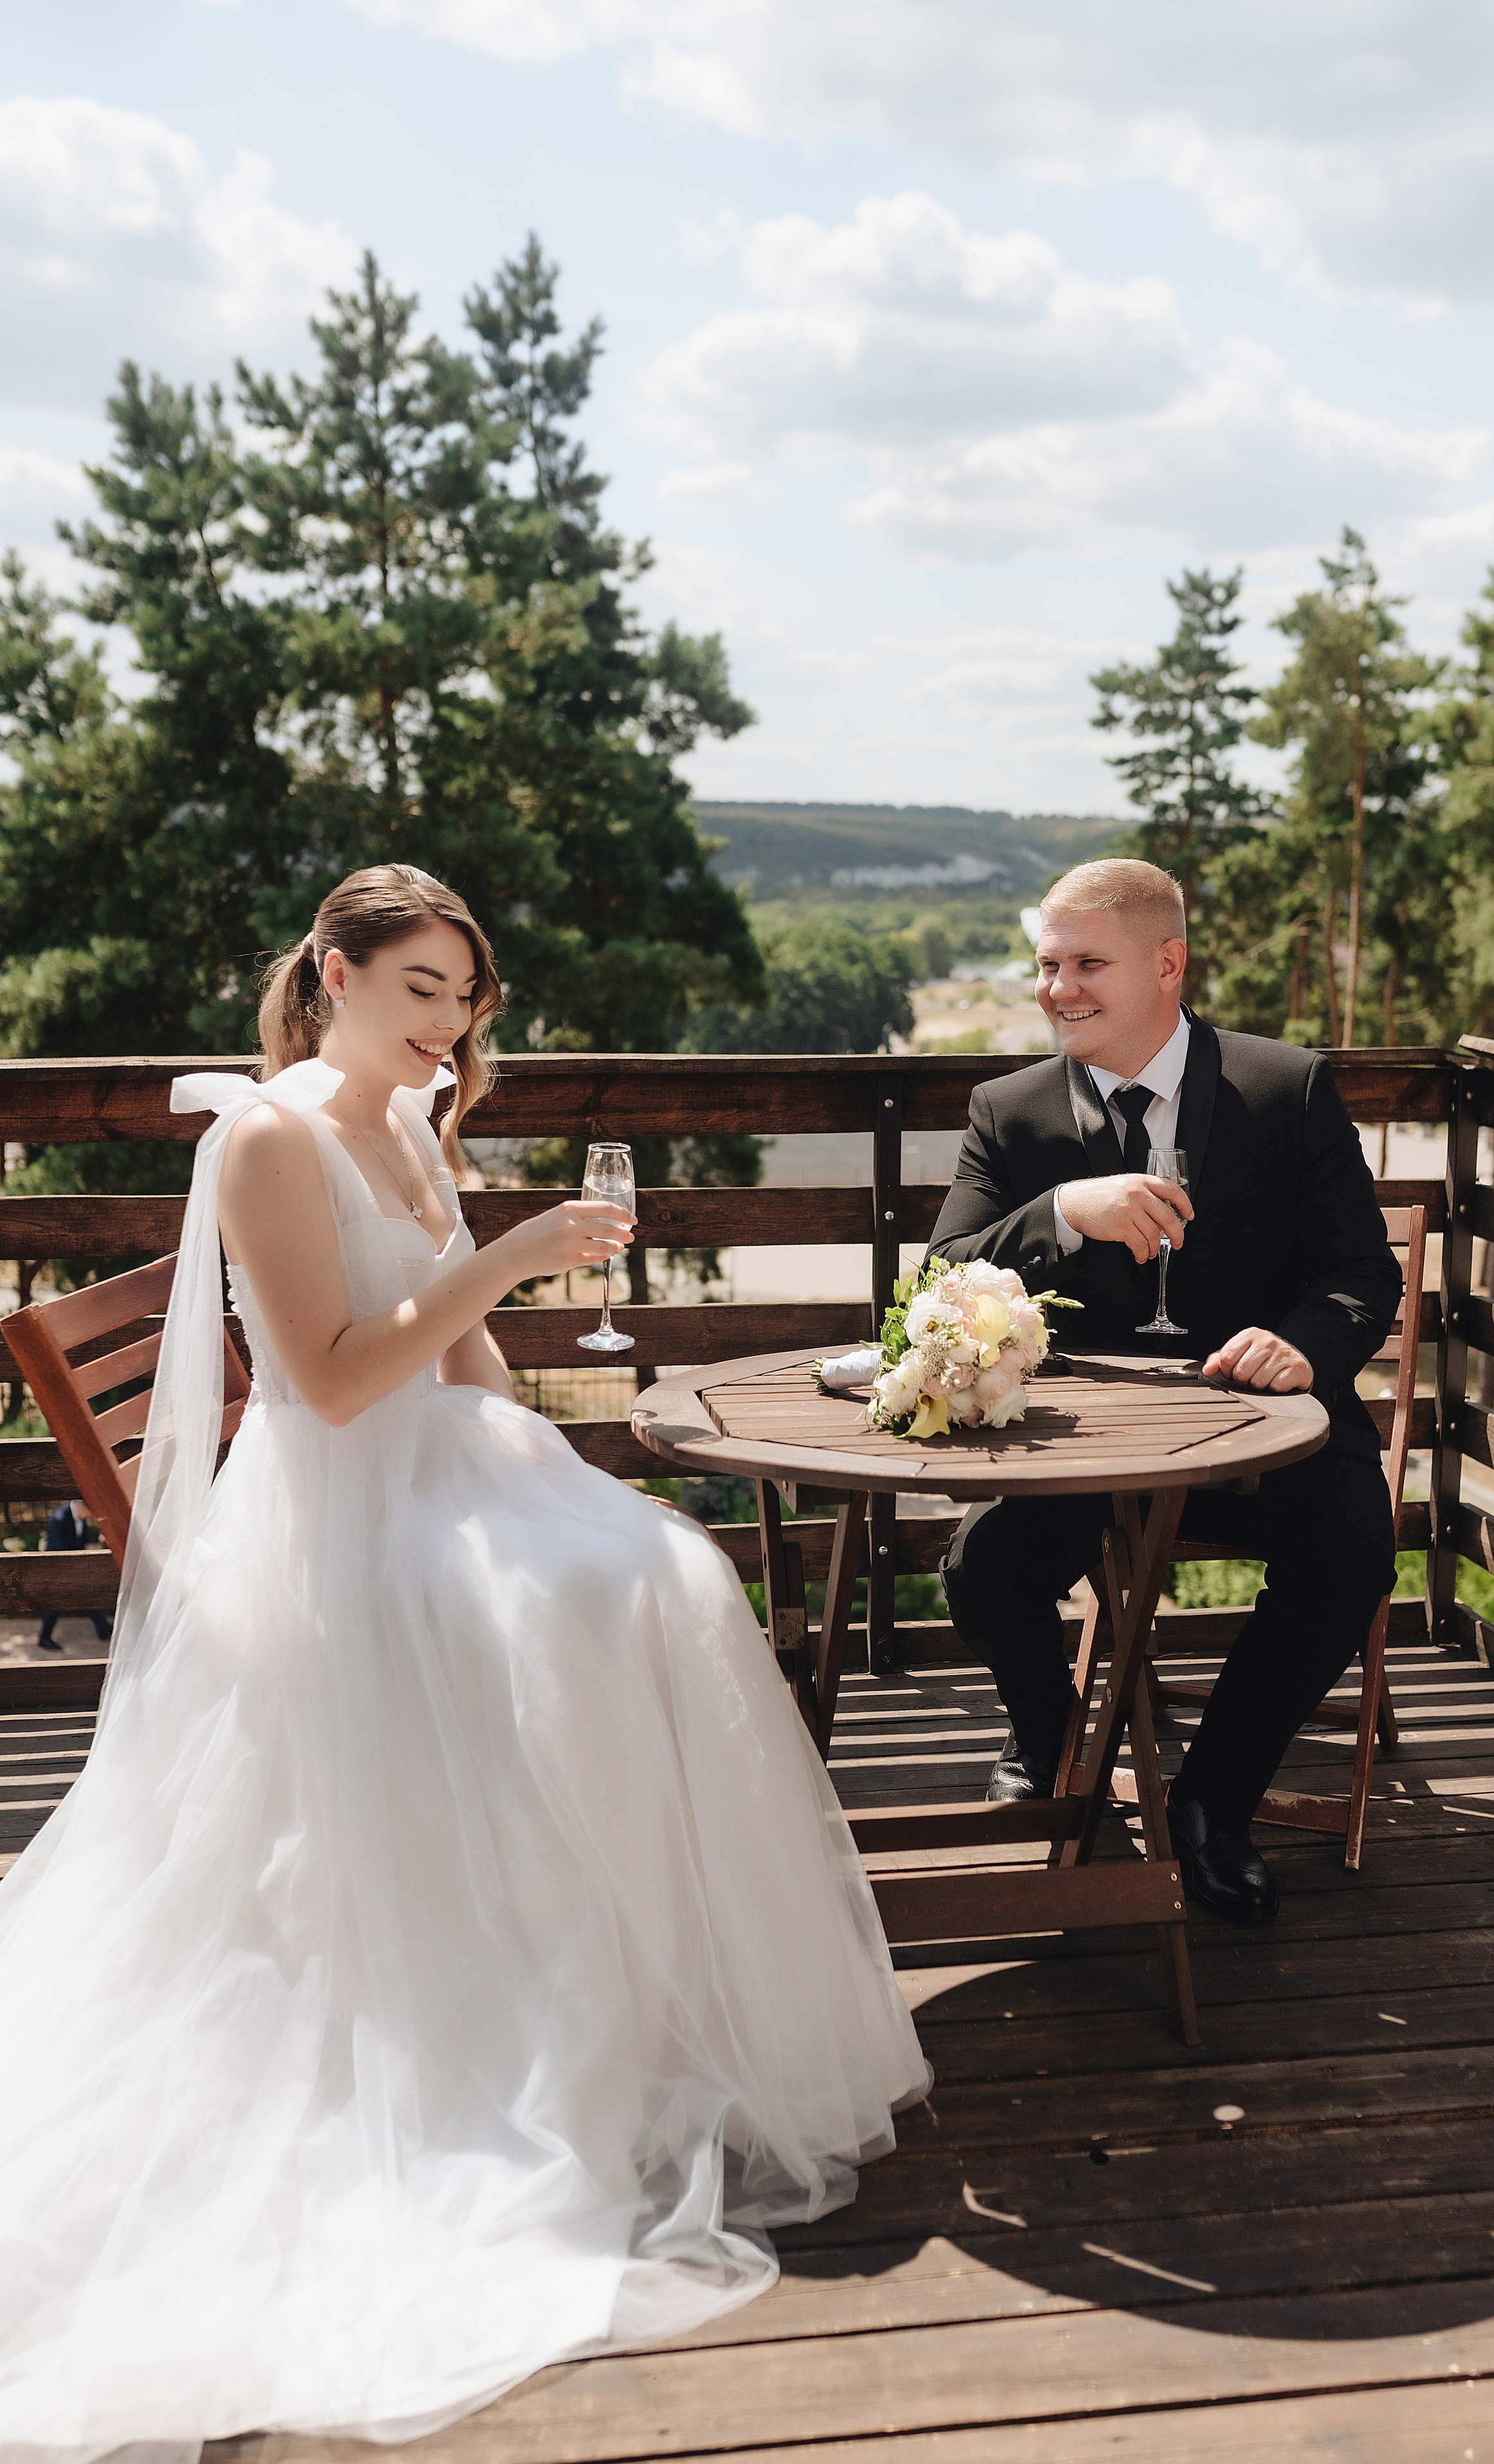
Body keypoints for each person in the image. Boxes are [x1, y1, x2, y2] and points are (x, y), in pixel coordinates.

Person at [0, 863, 930, 2462]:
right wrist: (513, 1258)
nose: (446, 1024)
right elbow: (340, 1382)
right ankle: (537, 2008)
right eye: (418, 989)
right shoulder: (276, 1136)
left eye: (465, 999)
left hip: (449, 1467)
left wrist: (547, 1448)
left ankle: (623, 1995)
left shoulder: (415, 1121)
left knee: (663, 1568)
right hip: (345, 1510)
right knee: (571, 1614)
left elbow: (463, 1357)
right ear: (336, 974)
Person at [930, 858, 1400, 1926]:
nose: (1058, 987)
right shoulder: (1008, 1111)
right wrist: (1062, 1211)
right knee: (983, 1571)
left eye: (1087, 962)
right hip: (1084, 1444)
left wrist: (1303, 1345)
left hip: (1265, 1430)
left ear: (1168, 964)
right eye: (1047, 964)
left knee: (1351, 1549)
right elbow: (937, 1277)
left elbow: (1361, 1273)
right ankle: (1053, 1739)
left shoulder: (1289, 1089)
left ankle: (1211, 1805)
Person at [35, 1495, 112, 1652]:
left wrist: (87, 1545)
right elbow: (60, 1549)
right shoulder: (59, 1518)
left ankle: (103, 1629)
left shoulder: (79, 1517)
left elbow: (79, 1540)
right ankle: (44, 1637)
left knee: (87, 1595)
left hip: (73, 1565)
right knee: (56, 1603)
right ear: (83, 1509)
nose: (92, 1516)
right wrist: (83, 1549)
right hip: (57, 1567)